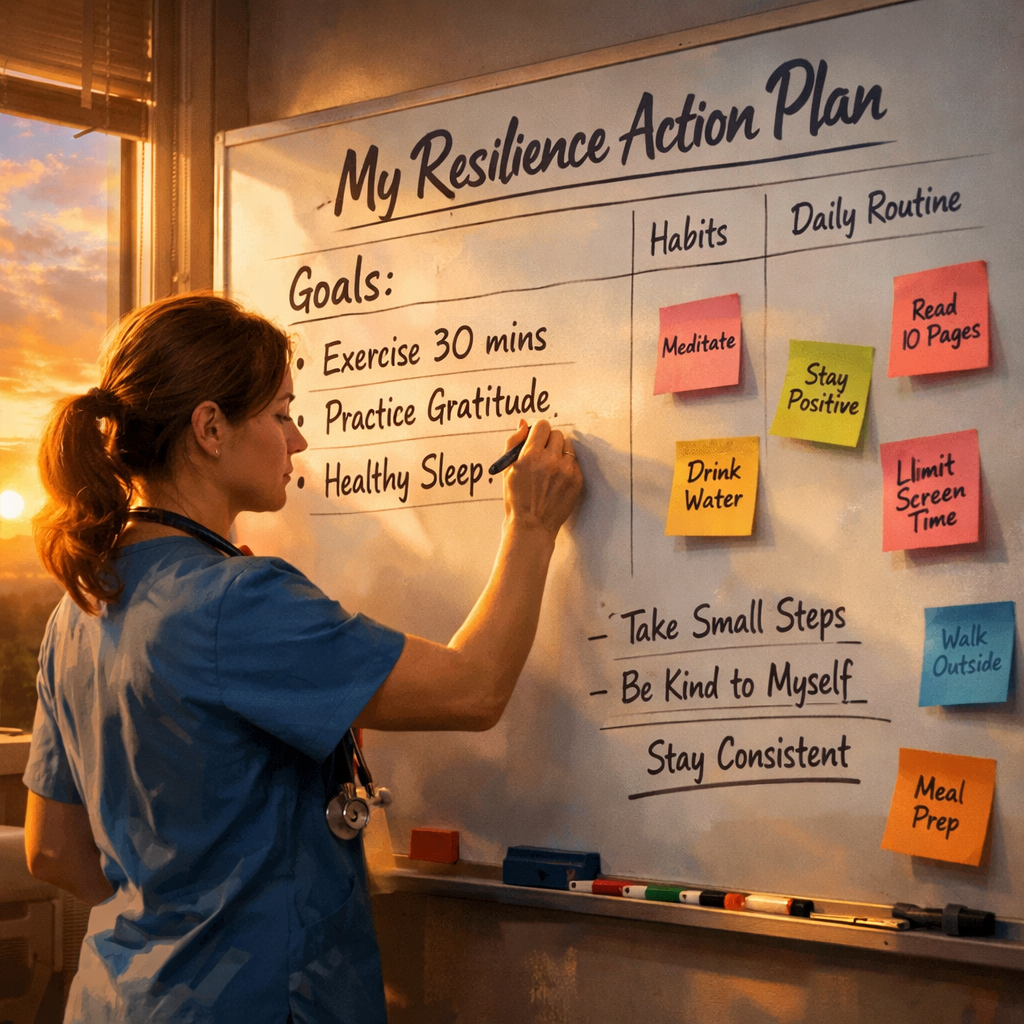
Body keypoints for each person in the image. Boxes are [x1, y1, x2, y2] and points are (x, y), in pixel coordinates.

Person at [22, 293, 582, 1023]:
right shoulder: (236, 603)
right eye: (283, 413)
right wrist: (532, 523)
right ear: (211, 428)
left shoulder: (79, 606)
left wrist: (176, 924)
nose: (298, 441)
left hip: (119, 998)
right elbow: (474, 689)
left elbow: (53, 851)